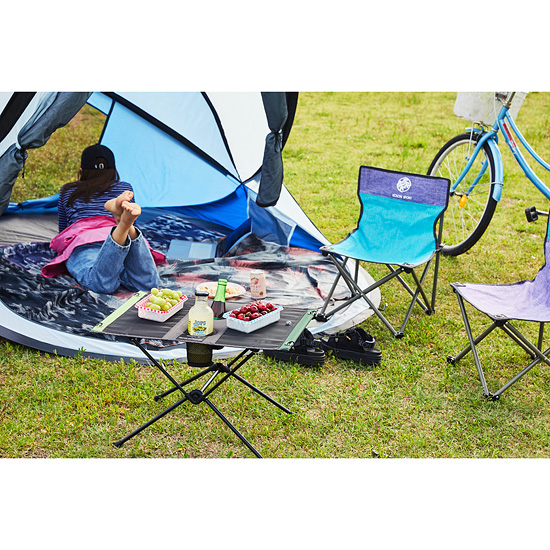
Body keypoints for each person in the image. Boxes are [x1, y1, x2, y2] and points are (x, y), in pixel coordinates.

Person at [41, 144, 164, 293]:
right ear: (113, 170)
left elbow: (64, 230)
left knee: (100, 283)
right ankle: (126, 226)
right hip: (119, 236)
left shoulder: (68, 190)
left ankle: (123, 225)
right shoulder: (124, 188)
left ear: (82, 171)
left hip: (84, 239)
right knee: (148, 285)